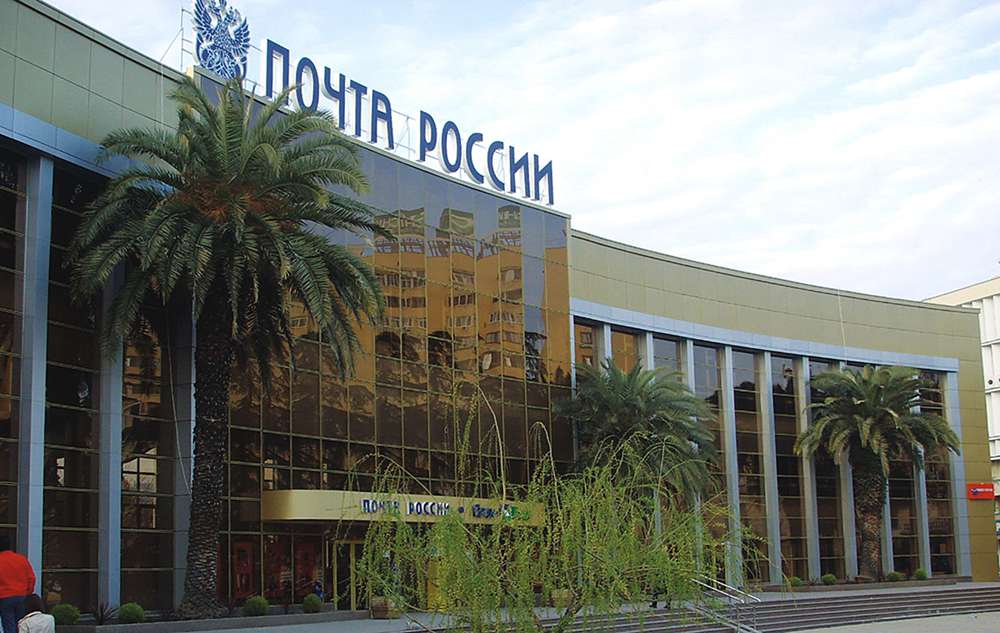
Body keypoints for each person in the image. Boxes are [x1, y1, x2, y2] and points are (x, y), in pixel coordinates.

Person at [0, 536, 36, 633]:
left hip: (4, 597)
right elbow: (31, 578)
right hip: (22, 597)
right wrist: (27, 592)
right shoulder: (21, 559)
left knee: (9, 626)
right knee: (21, 626)